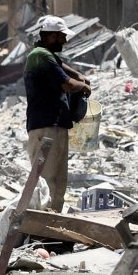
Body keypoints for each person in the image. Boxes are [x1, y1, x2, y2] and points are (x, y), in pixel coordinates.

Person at [23, 16, 91, 212]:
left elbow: (61, 67)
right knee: (47, 180)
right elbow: (68, 85)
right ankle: (41, 225)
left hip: (56, 125)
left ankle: (53, 224)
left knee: (59, 181)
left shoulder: (46, 56)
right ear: (52, 36)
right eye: (62, 37)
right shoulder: (40, 55)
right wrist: (84, 87)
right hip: (45, 127)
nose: (65, 41)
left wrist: (79, 76)